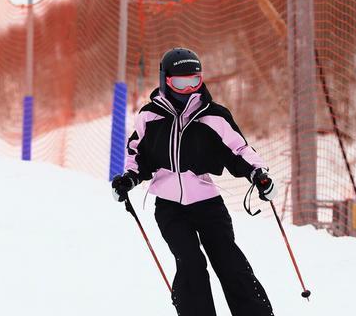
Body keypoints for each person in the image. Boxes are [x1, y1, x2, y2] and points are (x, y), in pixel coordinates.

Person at [111, 47, 276, 316]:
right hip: (169, 208)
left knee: (229, 261)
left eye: (194, 82)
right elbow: (137, 154)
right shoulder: (150, 116)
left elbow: (239, 150)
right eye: (180, 82)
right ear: (165, 80)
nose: (188, 89)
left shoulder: (213, 115)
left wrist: (258, 174)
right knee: (190, 262)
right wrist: (129, 179)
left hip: (208, 204)